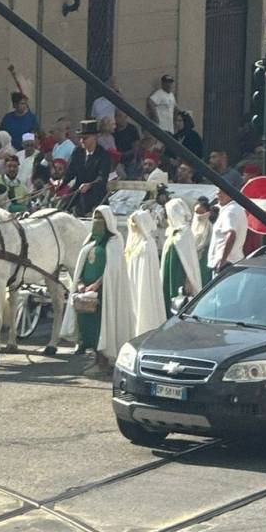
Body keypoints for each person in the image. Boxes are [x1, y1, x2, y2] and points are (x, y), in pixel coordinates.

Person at [63, 205, 131, 373]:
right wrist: (79, 283)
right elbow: (81, 266)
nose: (97, 222)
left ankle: (103, 361)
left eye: (100, 218)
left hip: (104, 293)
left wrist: (98, 284)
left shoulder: (114, 241)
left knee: (102, 325)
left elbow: (113, 269)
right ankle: (94, 357)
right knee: (87, 326)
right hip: (85, 292)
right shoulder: (90, 241)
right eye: (95, 218)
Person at [126, 209, 167, 336]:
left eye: (135, 223)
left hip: (143, 286)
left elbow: (146, 273)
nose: (133, 227)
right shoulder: (134, 243)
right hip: (132, 284)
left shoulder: (147, 244)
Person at [161, 198, 203, 313]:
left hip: (179, 276)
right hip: (169, 274)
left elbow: (189, 260)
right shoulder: (172, 232)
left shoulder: (185, 233)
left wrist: (189, 281)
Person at [63, 120, 111, 215]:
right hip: (77, 191)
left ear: (94, 138)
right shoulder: (78, 152)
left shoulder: (103, 155)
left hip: (95, 194)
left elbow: (102, 178)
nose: (82, 141)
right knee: (62, 208)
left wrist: (89, 185)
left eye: (85, 138)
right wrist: (61, 183)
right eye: (80, 138)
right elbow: (70, 172)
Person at [208, 188, 248, 275]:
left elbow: (231, 234)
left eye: (218, 193)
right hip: (231, 263)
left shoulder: (230, 211)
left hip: (226, 265)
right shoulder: (235, 209)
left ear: (228, 194)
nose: (216, 196)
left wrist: (222, 261)